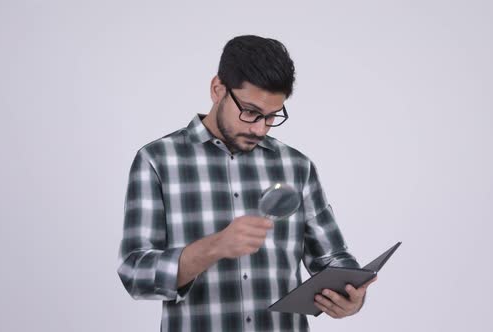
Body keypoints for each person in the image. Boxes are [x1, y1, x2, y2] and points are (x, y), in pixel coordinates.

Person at [117, 35, 377, 332]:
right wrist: (213, 247)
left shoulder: (296, 166)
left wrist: (351, 298)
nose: (259, 128)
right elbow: (135, 273)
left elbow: (331, 258)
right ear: (218, 89)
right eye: (251, 112)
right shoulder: (157, 160)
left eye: (271, 117)